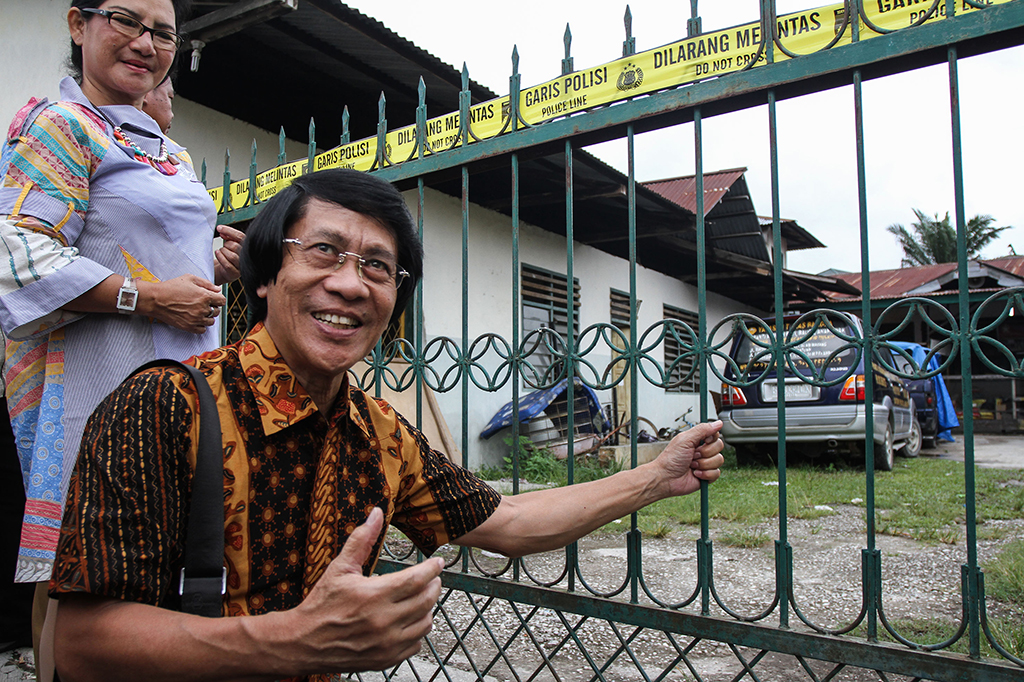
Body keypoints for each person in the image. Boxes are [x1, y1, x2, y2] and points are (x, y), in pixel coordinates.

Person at [47, 168, 725, 682]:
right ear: (265, 274)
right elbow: (78, 644)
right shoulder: (165, 405)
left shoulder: (378, 433)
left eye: (378, 266)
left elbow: (509, 522)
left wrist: (656, 477)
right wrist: (293, 640)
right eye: (323, 251)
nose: (351, 284)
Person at [0, 1, 245, 675]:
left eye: (162, 33)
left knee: (153, 564)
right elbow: (20, 257)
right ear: (78, 25)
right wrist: (150, 298)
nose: (145, 43)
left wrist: (209, 263)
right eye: (125, 21)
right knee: (82, 573)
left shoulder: (168, 150)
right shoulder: (62, 127)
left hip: (177, 384)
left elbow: (138, 244)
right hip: (98, 386)